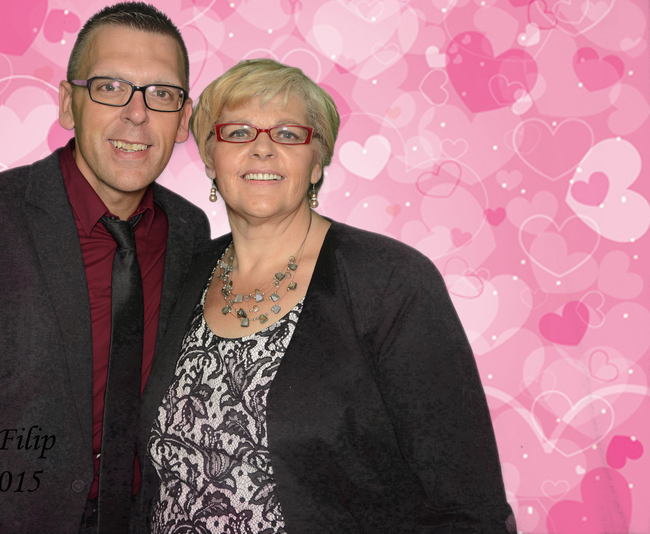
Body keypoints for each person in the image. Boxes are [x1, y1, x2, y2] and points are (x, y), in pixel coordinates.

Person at [0, 2, 210, 534]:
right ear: (69, 104)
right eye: (110, 87)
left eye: (161, 94)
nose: (137, 113)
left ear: (183, 119)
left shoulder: (188, 231)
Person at [132, 59, 516, 533]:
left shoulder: (390, 282)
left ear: (317, 163)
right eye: (238, 133)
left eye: (288, 134)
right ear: (211, 159)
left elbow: (471, 508)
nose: (262, 149)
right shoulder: (180, 275)